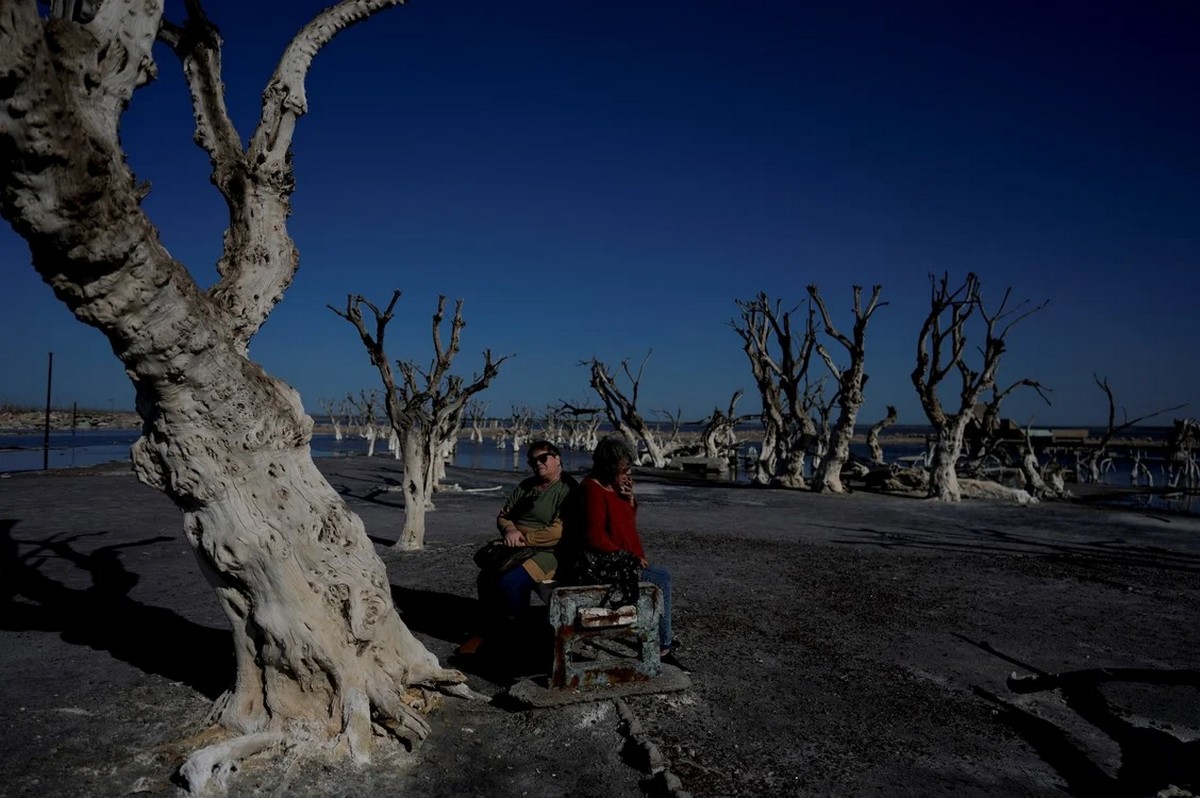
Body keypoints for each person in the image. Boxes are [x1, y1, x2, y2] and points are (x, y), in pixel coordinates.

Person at [459, 440, 576, 655]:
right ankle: (488, 630)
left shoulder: (567, 490)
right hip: (514, 546)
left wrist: (524, 539)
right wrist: (510, 531)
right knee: (485, 578)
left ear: (557, 458)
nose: (538, 463)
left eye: (543, 458)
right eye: (533, 460)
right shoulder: (526, 486)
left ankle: (516, 632)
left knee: (510, 582)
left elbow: (557, 532)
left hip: (548, 552)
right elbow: (504, 515)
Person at [579, 436, 679, 663]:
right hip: (607, 564)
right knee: (661, 579)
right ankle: (663, 647)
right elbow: (594, 536)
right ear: (610, 466)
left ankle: (660, 639)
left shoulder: (613, 486)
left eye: (628, 467)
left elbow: (626, 523)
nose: (628, 472)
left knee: (660, 577)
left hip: (626, 559)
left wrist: (629, 500)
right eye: (624, 468)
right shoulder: (592, 489)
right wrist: (628, 557)